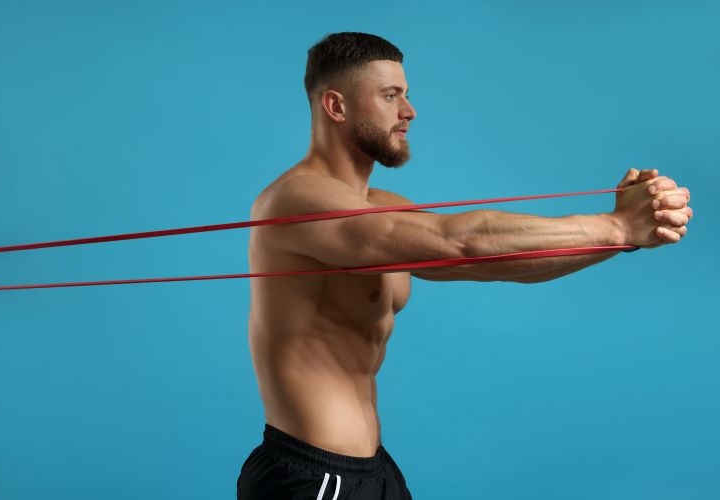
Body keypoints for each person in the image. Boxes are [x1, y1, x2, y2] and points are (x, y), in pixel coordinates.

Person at [236, 32, 692, 500]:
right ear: (336, 106)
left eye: (406, 95)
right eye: (390, 96)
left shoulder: (382, 207)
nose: (409, 112)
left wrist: (625, 238)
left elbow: (499, 262)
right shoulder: (295, 200)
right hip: (313, 478)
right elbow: (459, 241)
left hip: (374, 470)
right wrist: (616, 226)